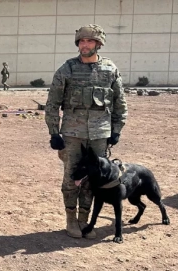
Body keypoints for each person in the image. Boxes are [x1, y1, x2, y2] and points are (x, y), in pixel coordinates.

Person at [45, 24, 127, 239]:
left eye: (89, 41)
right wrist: (54, 132)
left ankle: (84, 220)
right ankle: (71, 220)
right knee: (72, 178)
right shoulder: (67, 69)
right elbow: (52, 102)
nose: (84, 45)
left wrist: (116, 130)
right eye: (81, 41)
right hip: (73, 133)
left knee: (93, 179)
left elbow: (120, 103)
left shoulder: (110, 69)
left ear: (98, 44)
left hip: (100, 134)